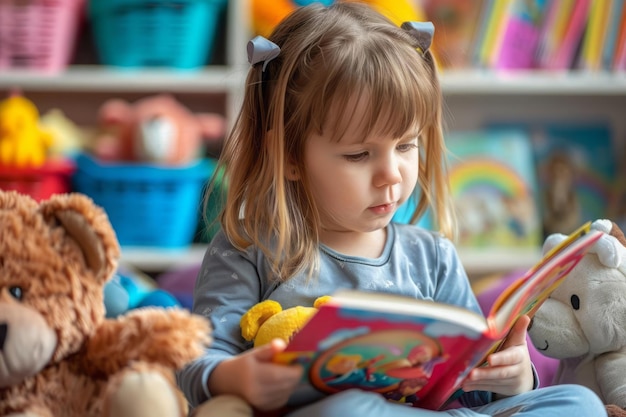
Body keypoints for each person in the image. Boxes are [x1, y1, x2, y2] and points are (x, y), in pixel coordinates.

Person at [177, 3, 607, 416]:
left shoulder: (432, 256)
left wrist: (513, 377)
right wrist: (237, 377)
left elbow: (466, 385)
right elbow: (195, 366)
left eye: (405, 145)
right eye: (358, 155)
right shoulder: (248, 250)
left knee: (578, 403)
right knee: (348, 409)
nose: (391, 174)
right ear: (287, 154)